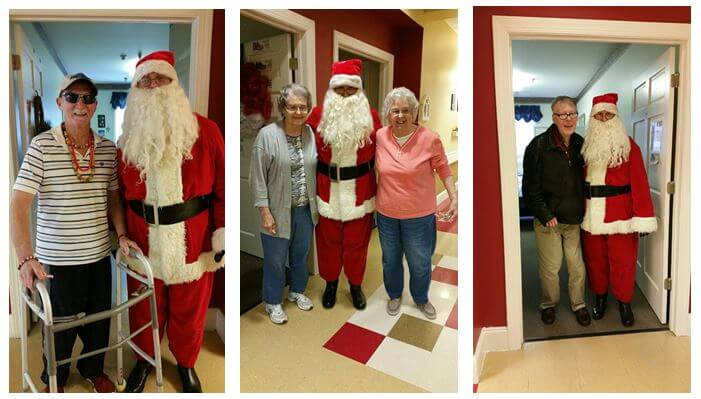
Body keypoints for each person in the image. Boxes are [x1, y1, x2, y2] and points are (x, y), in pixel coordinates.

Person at [10, 73, 140, 393]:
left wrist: (122, 235)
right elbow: (17, 205)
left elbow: (113, 200)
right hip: (57, 261)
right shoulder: (42, 146)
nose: (80, 104)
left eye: (87, 97)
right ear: (60, 102)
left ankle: (93, 370)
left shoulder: (107, 150)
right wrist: (25, 258)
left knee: (98, 322)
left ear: (95, 104)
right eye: (72, 97)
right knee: (60, 330)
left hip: (98, 255)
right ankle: (55, 379)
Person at [117, 51, 225, 393]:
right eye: (144, 81)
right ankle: (144, 362)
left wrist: (222, 232)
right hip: (142, 241)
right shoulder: (127, 142)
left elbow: (223, 184)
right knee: (142, 310)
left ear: (173, 83)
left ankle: (186, 363)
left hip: (194, 241)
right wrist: (120, 236)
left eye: (158, 78)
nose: (152, 86)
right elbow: (118, 194)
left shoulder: (205, 130)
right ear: (136, 90)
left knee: (190, 312)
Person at [306, 59, 382, 310]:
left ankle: (356, 285)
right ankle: (330, 284)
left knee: (357, 244)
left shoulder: (371, 117)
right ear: (332, 90)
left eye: (351, 89)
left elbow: (384, 153)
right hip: (327, 190)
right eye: (340, 89)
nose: (346, 94)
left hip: (361, 191)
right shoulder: (317, 115)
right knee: (327, 243)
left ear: (359, 90)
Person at [374, 87, 456, 319]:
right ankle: (394, 295)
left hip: (419, 215)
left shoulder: (429, 138)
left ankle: (421, 298)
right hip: (387, 213)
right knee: (390, 260)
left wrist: (453, 197)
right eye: (395, 111)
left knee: (419, 262)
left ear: (414, 112)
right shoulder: (380, 136)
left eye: (406, 111)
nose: (400, 116)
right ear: (388, 113)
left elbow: (443, 168)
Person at [581, 93, 657, 327]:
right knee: (596, 261)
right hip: (591, 216)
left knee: (623, 261)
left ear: (616, 117)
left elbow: (640, 183)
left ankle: (624, 302)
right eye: (599, 115)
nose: (604, 119)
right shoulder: (586, 148)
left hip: (621, 216)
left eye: (608, 114)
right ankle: (600, 298)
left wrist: (642, 218)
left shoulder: (629, 147)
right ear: (593, 119)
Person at [249, 83, 318, 324]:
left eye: (303, 107)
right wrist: (265, 213)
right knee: (276, 260)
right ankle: (273, 301)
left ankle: (297, 291)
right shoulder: (267, 136)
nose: (298, 112)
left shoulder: (310, 134)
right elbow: (257, 179)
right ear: (283, 108)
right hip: (277, 212)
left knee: (301, 255)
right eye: (292, 107)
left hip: (305, 210)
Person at [522, 96, 591, 327]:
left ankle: (579, 304)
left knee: (576, 266)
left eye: (572, 113)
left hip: (573, 219)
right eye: (562, 114)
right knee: (551, 267)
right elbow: (530, 188)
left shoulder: (582, 144)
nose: (568, 119)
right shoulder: (538, 146)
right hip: (548, 220)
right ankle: (548, 304)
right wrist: (545, 213)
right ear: (554, 117)